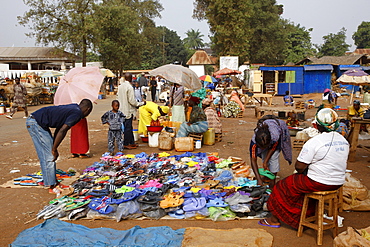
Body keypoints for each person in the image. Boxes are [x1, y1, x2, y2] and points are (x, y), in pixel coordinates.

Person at [258, 108, 349, 229]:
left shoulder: (315, 142)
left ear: (316, 125)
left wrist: (304, 170)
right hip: (338, 182)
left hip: (318, 182)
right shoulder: (343, 141)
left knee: (281, 186)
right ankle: (307, 215)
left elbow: (299, 167)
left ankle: (275, 219)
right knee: (298, 186)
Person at [26, 99, 93, 194]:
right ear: (87, 109)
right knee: (49, 156)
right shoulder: (77, 114)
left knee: (47, 155)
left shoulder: (73, 108)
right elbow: (63, 130)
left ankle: (51, 182)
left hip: (36, 122)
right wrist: (54, 149)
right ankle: (51, 185)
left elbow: (60, 128)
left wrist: (54, 147)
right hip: (36, 123)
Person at [250, 115, 292, 188]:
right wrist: (259, 180)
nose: (264, 148)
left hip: (278, 127)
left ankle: (273, 180)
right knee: (264, 155)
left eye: (266, 146)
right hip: (267, 137)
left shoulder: (275, 137)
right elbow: (253, 161)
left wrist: (266, 161)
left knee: (273, 158)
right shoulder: (254, 142)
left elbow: (273, 148)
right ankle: (267, 177)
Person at [117, 72, 145, 150]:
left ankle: (131, 142)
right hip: (127, 110)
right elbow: (132, 101)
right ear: (131, 78)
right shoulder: (129, 87)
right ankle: (126, 143)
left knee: (128, 127)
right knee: (128, 127)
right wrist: (141, 103)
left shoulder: (120, 86)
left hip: (121, 109)